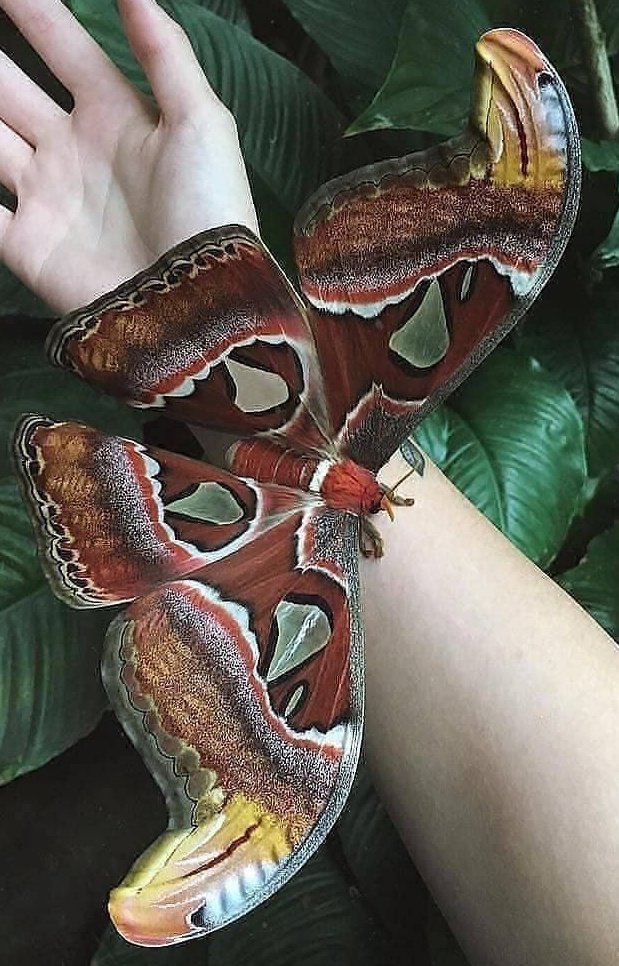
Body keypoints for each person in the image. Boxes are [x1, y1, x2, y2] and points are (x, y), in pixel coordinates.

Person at [1, 1, 618, 963]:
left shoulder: (367, 464)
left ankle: (150, 465)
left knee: (306, 758)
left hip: (266, 415)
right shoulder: (367, 480)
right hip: (263, 435)